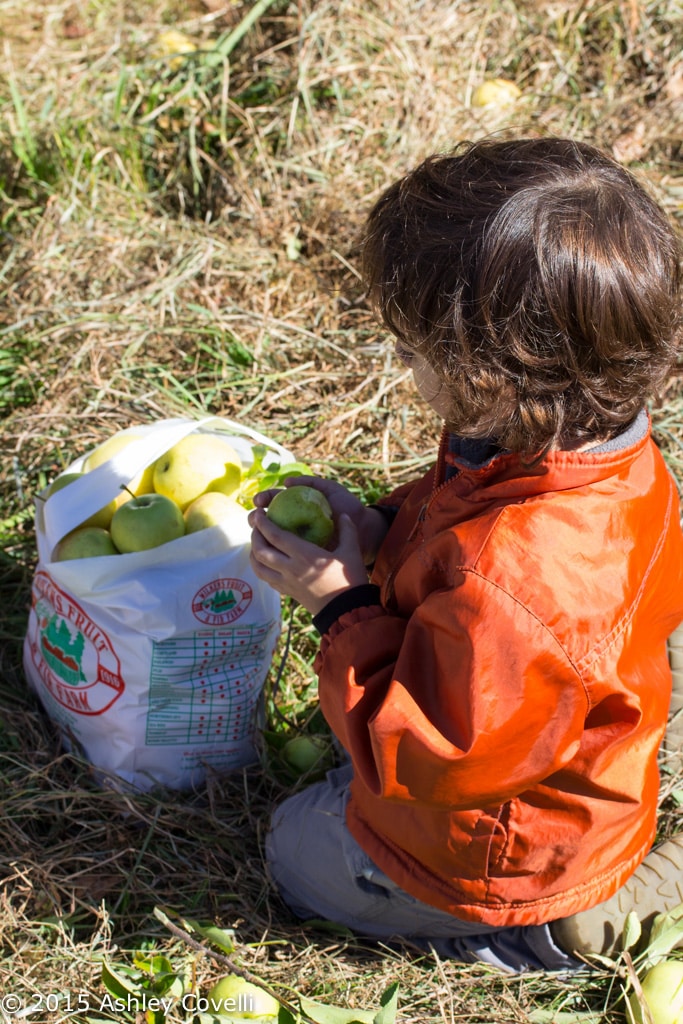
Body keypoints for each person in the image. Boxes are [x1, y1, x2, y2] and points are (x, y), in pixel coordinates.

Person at [248, 136, 683, 973]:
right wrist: (380, 533)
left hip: (499, 843)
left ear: (489, 373)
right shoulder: (577, 442)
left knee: (294, 852)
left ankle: (560, 929)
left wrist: (341, 607)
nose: (404, 367)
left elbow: (428, 757)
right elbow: (458, 537)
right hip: (548, 719)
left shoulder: (519, 577)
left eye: (411, 352)